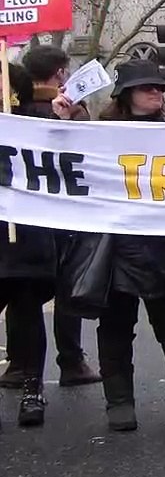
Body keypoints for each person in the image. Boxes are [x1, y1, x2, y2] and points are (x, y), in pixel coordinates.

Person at [88, 59, 165, 431]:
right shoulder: (100, 135)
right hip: (116, 245)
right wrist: (66, 120)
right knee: (115, 324)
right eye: (147, 88)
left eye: (160, 88)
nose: (156, 93)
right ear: (125, 95)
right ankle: (119, 401)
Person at [0, 44, 101, 390]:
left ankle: (19, 366)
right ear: (59, 73)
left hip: (21, 224)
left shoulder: (26, 110)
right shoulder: (51, 113)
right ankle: (69, 360)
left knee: (20, 292)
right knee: (58, 289)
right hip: (55, 218)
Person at [0, 64, 64, 426]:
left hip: (26, 237)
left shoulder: (36, 125)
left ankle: (32, 389)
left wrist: (69, 120)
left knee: (27, 316)